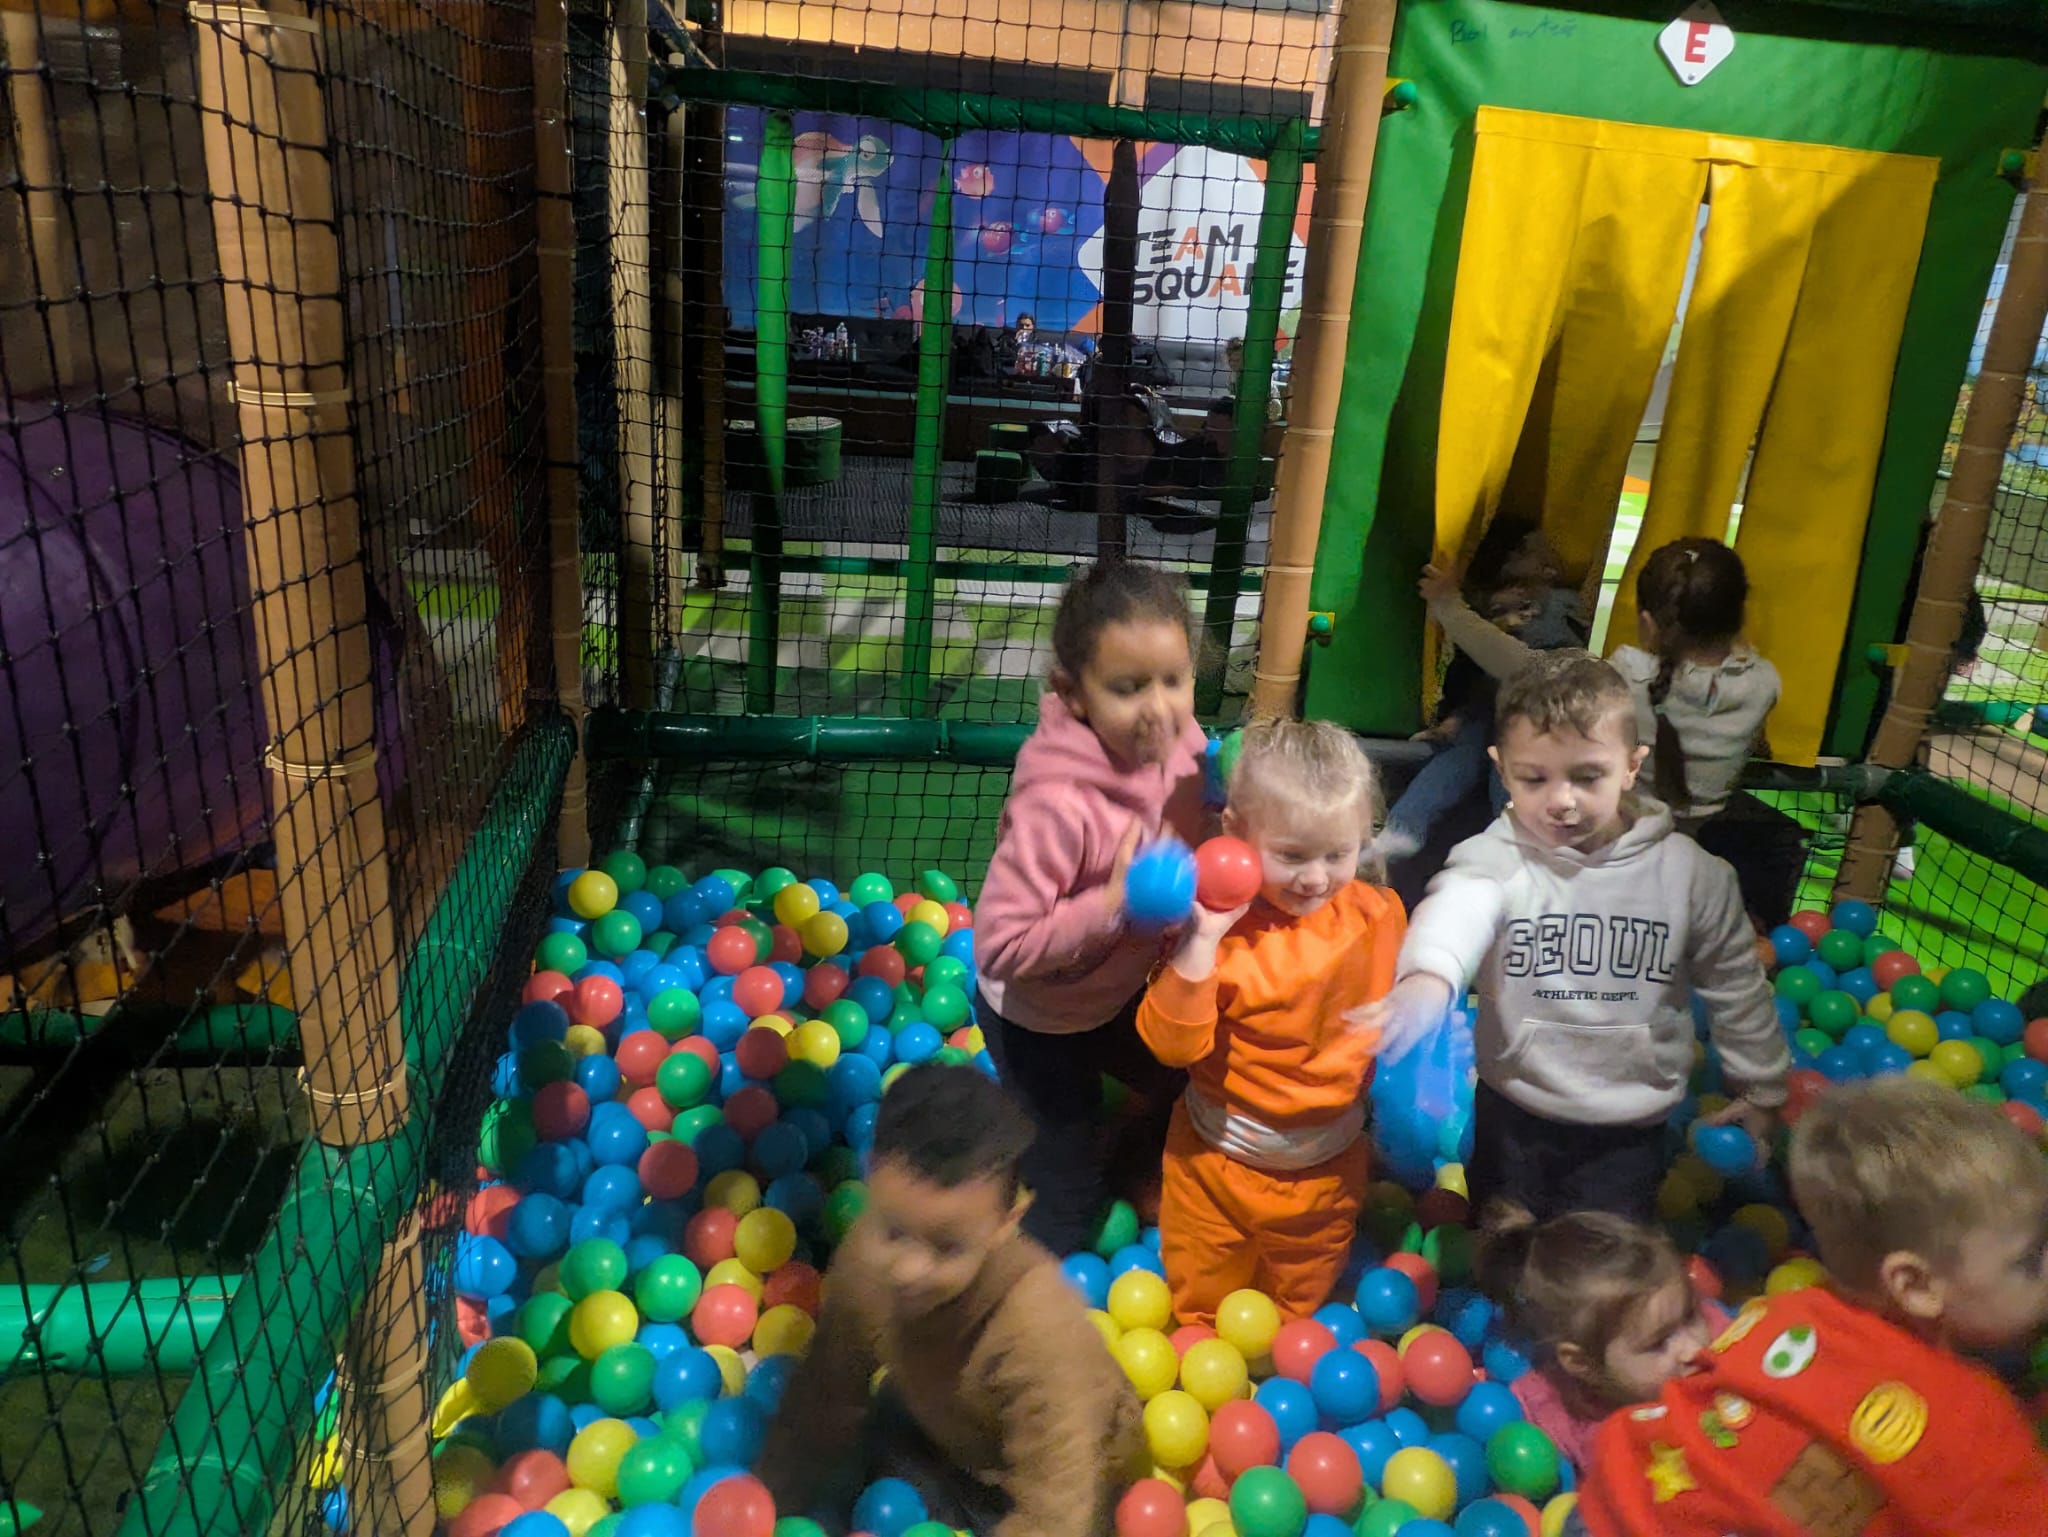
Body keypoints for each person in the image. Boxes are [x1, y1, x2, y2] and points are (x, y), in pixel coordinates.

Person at [1350, 651, 1790, 1224]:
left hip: (1629, 1126)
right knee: (1502, 1238)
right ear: (1502, 769)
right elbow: (1459, 905)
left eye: (1587, 776)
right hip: (1515, 1110)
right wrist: (1430, 976)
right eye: (1535, 778)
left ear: (1631, 766)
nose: (1562, 800)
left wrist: (1761, 1088)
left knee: (1601, 1253)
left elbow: (1736, 985)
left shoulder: (1688, 875)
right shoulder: (1499, 858)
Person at [1575, 1077, 2048, 1535]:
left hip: (1617, 1483)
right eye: (2031, 1258)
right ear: (1916, 1285)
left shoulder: (1791, 1312)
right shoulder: (1973, 1427)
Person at [755, 1065, 1145, 1537]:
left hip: (1061, 1479)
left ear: (1007, 1222)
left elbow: (1059, 1511)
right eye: (894, 1231)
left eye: (947, 1247)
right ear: (871, 1178)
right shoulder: (866, 1260)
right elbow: (825, 1392)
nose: (908, 1269)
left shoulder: (1039, 1331)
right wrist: (767, 1502)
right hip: (947, 1422)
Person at [1136, 718, 1405, 1326]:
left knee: (1297, 1306)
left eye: (1338, 854)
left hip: (1327, 1170)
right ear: (1235, 834)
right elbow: (1171, 1045)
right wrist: (1201, 941)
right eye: (1291, 855)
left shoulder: (1380, 915)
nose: (1316, 877)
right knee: (1200, 1303)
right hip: (1216, 1166)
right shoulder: (1217, 936)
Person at [975, 559, 1209, 1255]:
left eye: (1174, 680)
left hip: (1118, 992)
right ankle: (1031, 1276)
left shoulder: (1185, 749)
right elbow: (1000, 945)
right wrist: (1113, 903)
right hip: (1039, 1019)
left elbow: (1200, 817)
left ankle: (1134, 1156)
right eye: (1127, 688)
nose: (1159, 708)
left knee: (1198, 1074)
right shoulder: (1058, 806)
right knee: (1067, 1196)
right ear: (1072, 693)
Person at [1417, 537, 1796, 929]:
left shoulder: (1627, 676)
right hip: (1669, 882)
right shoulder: (1763, 685)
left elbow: (1523, 666)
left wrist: (1448, 605)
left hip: (1589, 875)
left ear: (1647, 624)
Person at [1381, 525, 1587, 869]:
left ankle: (1415, 828)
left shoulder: (1558, 606)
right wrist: (1459, 717)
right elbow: (1496, 680)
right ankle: (1405, 828)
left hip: (1539, 711)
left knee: (1498, 747)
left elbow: (1533, 671)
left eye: (1527, 552)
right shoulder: (1505, 606)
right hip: (1503, 711)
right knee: (1474, 743)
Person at [1474, 1207, 1714, 1479]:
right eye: (1659, 1343)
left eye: (1691, 1316)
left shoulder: (1722, 1342)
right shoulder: (1555, 1417)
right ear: (1582, 1363)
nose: (1693, 1348)